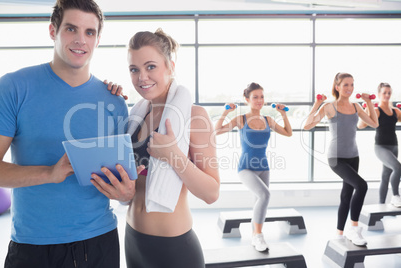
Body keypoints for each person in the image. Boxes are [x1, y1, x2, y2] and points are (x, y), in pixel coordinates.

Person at [0, 1, 129, 267]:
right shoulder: (13, 87)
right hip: (33, 246)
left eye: (90, 32)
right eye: (71, 29)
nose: (81, 40)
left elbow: (125, 184)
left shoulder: (115, 102)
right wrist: (49, 173)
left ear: (98, 39)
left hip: (100, 242)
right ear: (52, 31)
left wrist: (126, 194)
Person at [91, 29, 220, 268]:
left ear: (170, 66)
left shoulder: (194, 116)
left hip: (174, 249)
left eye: (151, 67)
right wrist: (108, 97)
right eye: (134, 69)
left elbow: (211, 193)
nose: (142, 77)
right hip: (133, 241)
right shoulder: (135, 116)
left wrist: (173, 155)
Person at [214, 82, 292, 252]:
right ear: (247, 99)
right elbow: (217, 130)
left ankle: (254, 235)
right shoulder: (240, 119)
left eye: (261, 97)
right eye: (255, 97)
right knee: (265, 195)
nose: (259, 100)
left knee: (260, 200)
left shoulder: (268, 120)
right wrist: (225, 112)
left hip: (264, 166)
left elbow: (288, 132)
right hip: (245, 168)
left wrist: (283, 115)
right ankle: (258, 236)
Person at [303, 72, 379, 246]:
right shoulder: (330, 106)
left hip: (354, 156)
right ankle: (354, 228)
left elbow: (375, 123)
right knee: (362, 185)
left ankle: (339, 233)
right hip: (336, 158)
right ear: (337, 87)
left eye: (352, 84)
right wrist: (316, 105)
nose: (349, 88)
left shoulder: (356, 106)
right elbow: (307, 126)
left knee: (346, 195)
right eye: (345, 85)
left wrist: (368, 103)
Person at [358, 82, 401, 207]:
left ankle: (381, 206)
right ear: (379, 94)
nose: (387, 95)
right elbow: (360, 126)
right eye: (384, 93)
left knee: (386, 176)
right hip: (381, 147)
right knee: (398, 168)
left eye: (389, 93)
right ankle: (396, 196)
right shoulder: (376, 111)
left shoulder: (395, 111)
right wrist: (367, 109)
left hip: (394, 146)